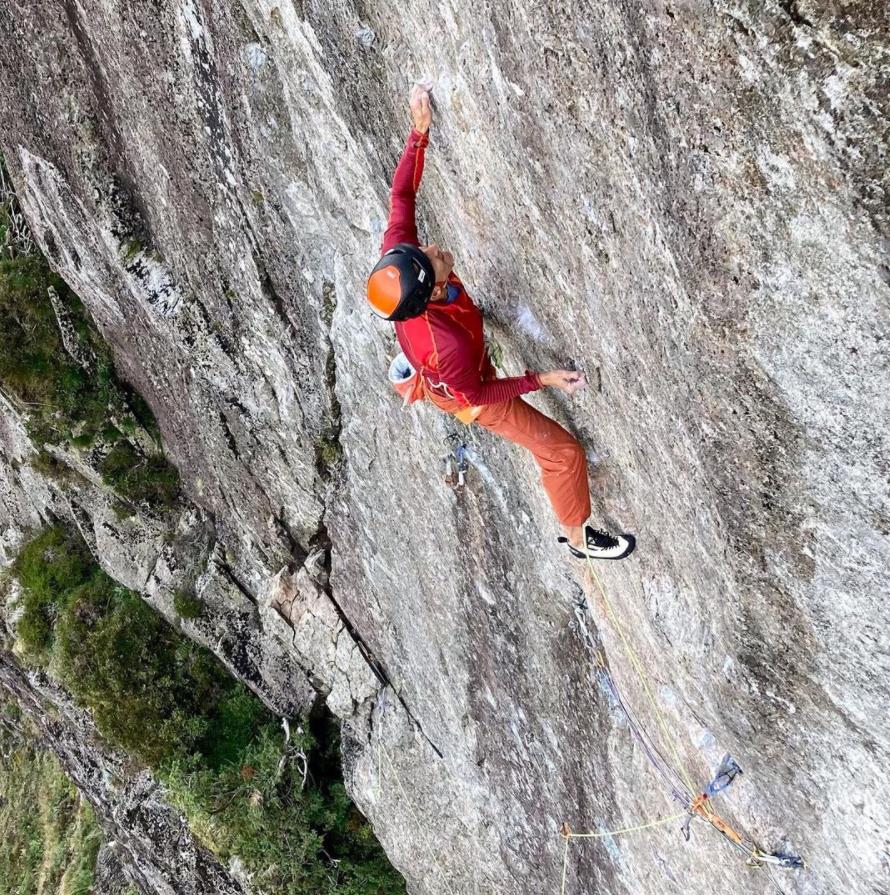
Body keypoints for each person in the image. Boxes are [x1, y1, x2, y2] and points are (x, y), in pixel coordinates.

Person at [366, 84, 634, 561]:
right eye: (433, 260)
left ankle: (416, 372)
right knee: (563, 452)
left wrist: (419, 133)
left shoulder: (402, 260)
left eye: (424, 250)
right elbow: (476, 395)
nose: (435, 249)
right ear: (426, 294)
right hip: (469, 391)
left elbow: (401, 192)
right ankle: (578, 540)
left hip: (447, 362)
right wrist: (541, 379)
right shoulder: (445, 342)